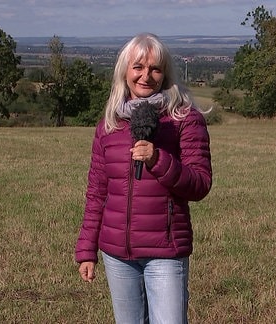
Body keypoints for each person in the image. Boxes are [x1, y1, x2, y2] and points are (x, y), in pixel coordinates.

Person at [74, 33, 212, 324]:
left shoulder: (185, 120)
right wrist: (87, 250)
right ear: (125, 70)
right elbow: (97, 193)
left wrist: (158, 160)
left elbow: (199, 184)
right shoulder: (109, 125)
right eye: (138, 67)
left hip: (165, 251)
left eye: (155, 69)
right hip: (117, 255)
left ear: (165, 74)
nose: (145, 76)